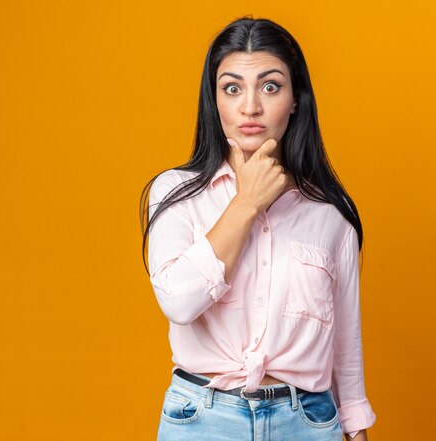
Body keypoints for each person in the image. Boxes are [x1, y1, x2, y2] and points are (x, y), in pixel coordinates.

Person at [139, 15, 376, 441]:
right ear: (215, 101)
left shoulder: (330, 215)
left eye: (270, 86)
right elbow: (179, 302)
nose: (250, 106)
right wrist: (247, 202)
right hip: (202, 421)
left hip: (308, 422)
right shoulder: (176, 194)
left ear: (296, 99)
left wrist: (356, 429)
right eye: (232, 88)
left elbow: (346, 346)